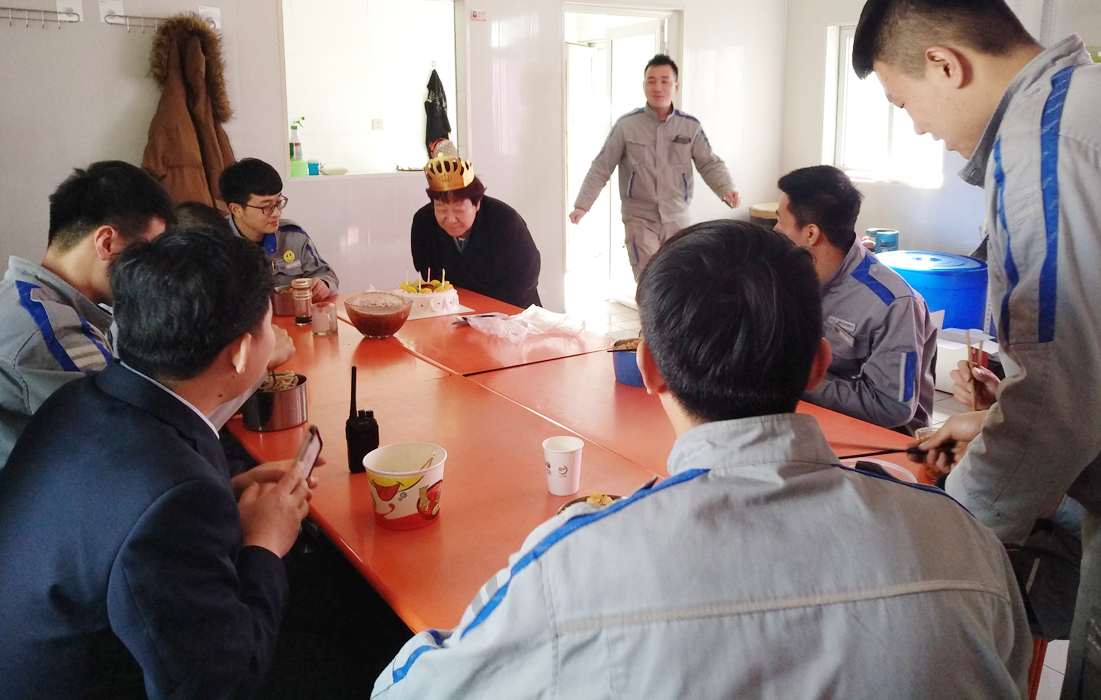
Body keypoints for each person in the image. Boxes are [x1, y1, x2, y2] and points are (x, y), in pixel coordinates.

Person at [373, 221, 1031, 698]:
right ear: (816, 364)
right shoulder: (963, 543)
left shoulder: (572, 568)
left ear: (649, 369)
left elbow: (409, 690)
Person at [854, 0, 1101, 697]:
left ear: (945, 64)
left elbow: (1067, 395)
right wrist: (994, 423)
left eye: (906, 103)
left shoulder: (1049, 143)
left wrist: (951, 529)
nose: (920, 127)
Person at [0, 227, 314, 699]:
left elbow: (126, 522)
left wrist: (227, 491)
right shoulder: (176, 495)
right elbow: (223, 684)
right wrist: (265, 543)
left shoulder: (80, 400)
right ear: (242, 352)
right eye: (268, 327)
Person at [0, 161, 175, 504]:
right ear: (106, 242)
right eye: (148, 251)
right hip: (22, 520)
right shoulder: (51, 334)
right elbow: (134, 451)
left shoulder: (23, 297)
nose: (153, 270)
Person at [774, 165, 936, 432]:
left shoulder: (894, 303)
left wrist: (793, 382)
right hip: (810, 420)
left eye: (780, 221)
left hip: (880, 441)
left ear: (811, 233)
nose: (775, 229)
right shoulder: (790, 277)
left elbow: (891, 407)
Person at [569, 54, 740, 280]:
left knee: (679, 279)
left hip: (677, 216)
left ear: (676, 86)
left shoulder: (690, 126)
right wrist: (582, 205)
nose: (657, 87)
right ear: (644, 86)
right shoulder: (626, 125)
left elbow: (709, 162)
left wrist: (726, 188)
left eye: (665, 81)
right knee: (648, 278)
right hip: (639, 218)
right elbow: (602, 166)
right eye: (651, 81)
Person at [411, 155, 541, 308]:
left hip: (512, 309)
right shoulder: (423, 223)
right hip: (454, 310)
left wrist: (485, 312)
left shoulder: (504, 220)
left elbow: (526, 274)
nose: (451, 219)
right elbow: (429, 274)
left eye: (459, 209)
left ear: (477, 204)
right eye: (441, 209)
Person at [220, 158, 339, 300]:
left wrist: (323, 284)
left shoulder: (293, 236)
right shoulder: (214, 243)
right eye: (266, 207)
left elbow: (325, 274)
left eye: (278, 203)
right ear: (236, 209)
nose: (276, 213)